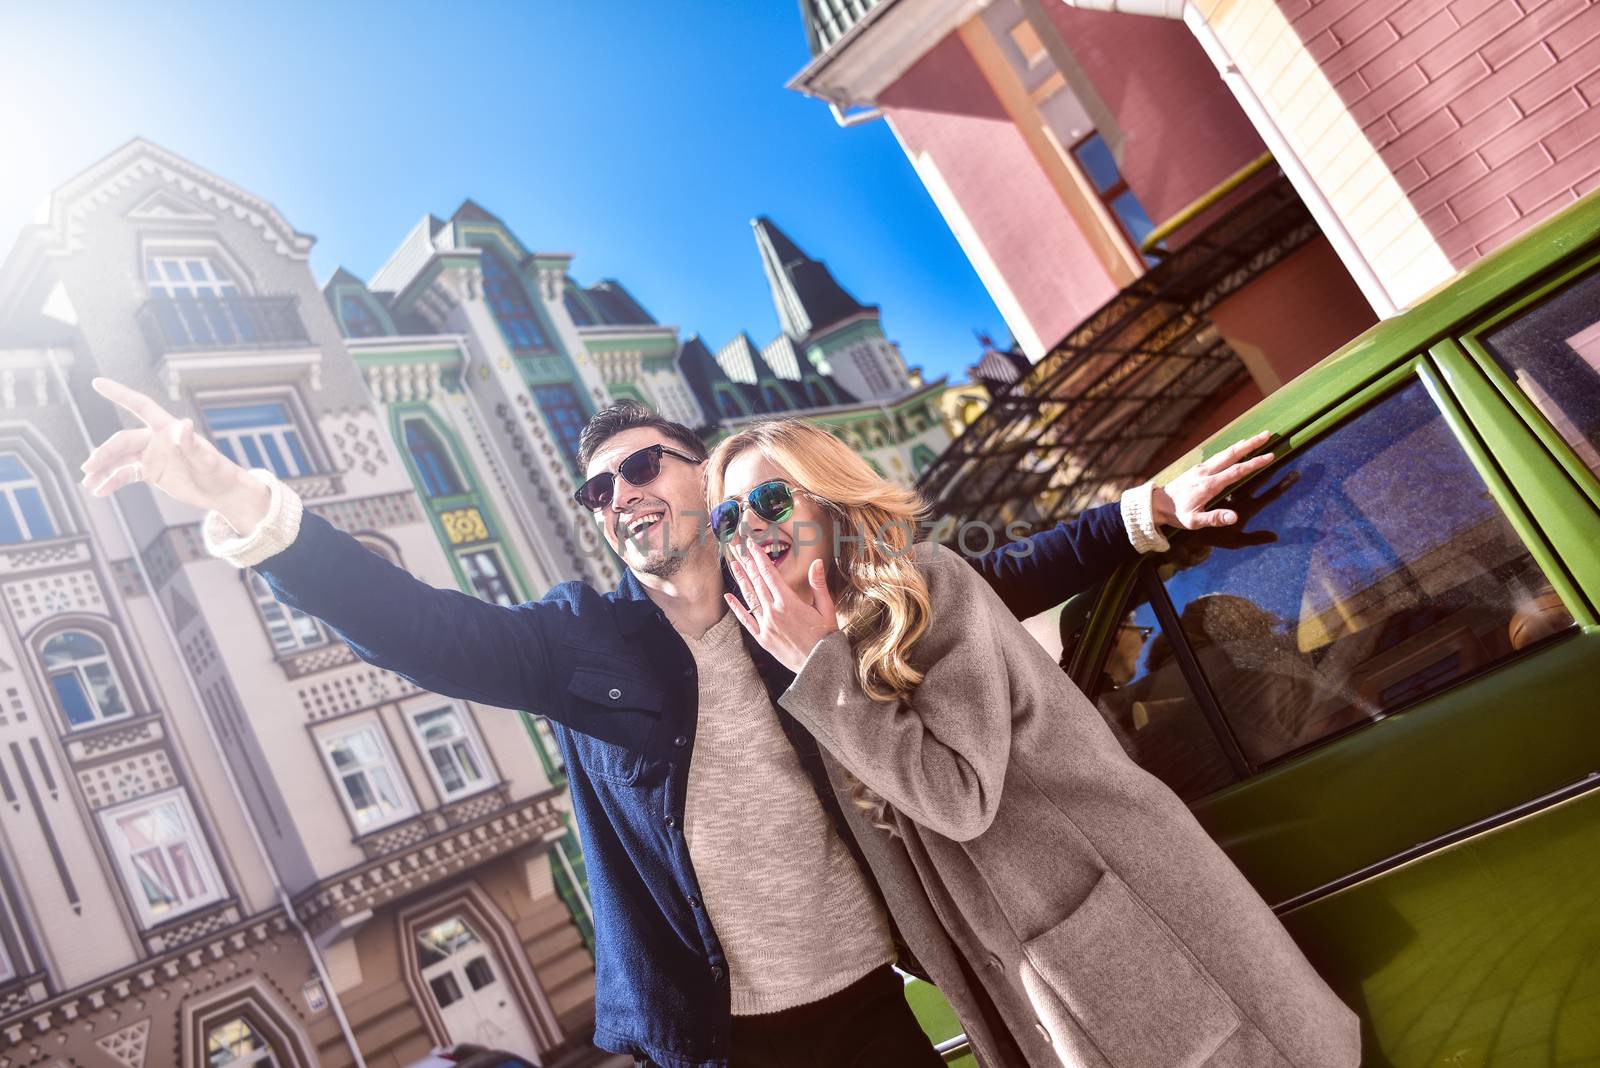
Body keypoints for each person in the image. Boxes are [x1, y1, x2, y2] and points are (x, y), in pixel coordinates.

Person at [79, 378, 1275, 1068]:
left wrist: (1139, 514)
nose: (621, 497)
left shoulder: (808, 596)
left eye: (643, 468)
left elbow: (976, 577)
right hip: (717, 1040)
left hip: (877, 1001)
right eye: (597, 489)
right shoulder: (578, 641)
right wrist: (241, 504)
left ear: (706, 475)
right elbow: (418, 629)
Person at [707, 418, 1361, 1067]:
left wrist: (1149, 510)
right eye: (729, 518)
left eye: (770, 498)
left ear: (830, 500)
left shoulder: (921, 590)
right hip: (1038, 976)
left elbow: (959, 797)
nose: (753, 525)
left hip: (1134, 944)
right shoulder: (815, 665)